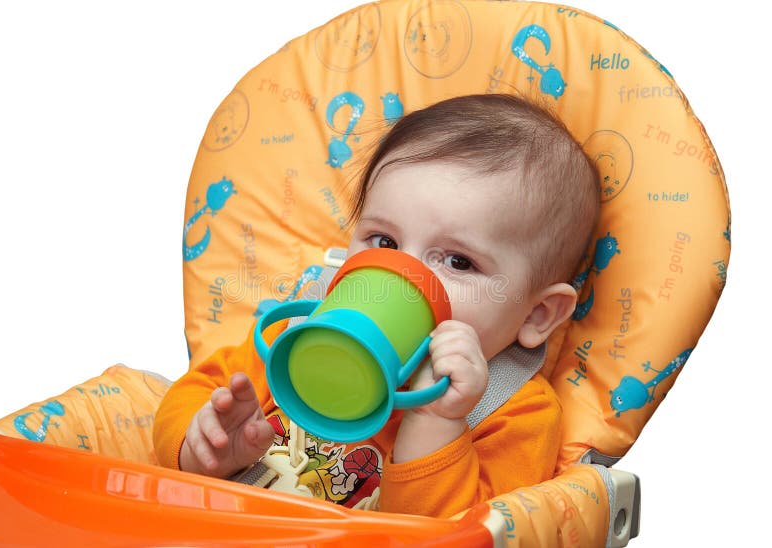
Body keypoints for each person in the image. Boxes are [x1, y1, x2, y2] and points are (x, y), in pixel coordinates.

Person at [153, 93, 600, 518]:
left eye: (459, 262)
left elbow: (465, 533)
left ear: (537, 314)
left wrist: (436, 418)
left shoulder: (518, 415)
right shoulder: (298, 337)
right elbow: (194, 391)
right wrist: (205, 451)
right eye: (383, 241)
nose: (398, 273)